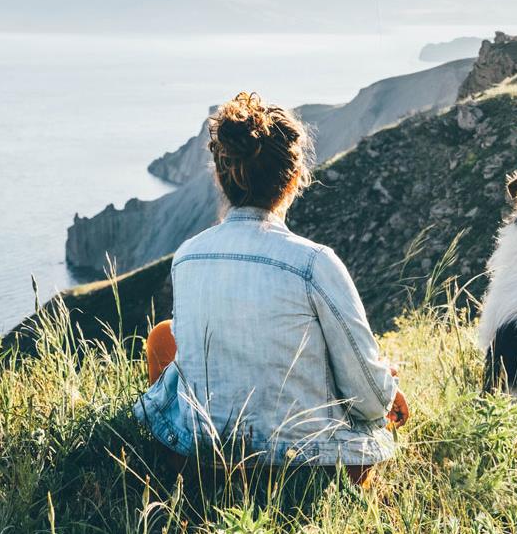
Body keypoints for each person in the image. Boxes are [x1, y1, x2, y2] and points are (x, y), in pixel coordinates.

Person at [135, 92, 408, 487]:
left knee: (163, 335)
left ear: (222, 175)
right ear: (295, 179)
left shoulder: (187, 257)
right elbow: (366, 398)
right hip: (308, 472)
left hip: (203, 464)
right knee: (370, 374)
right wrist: (387, 385)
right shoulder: (315, 263)